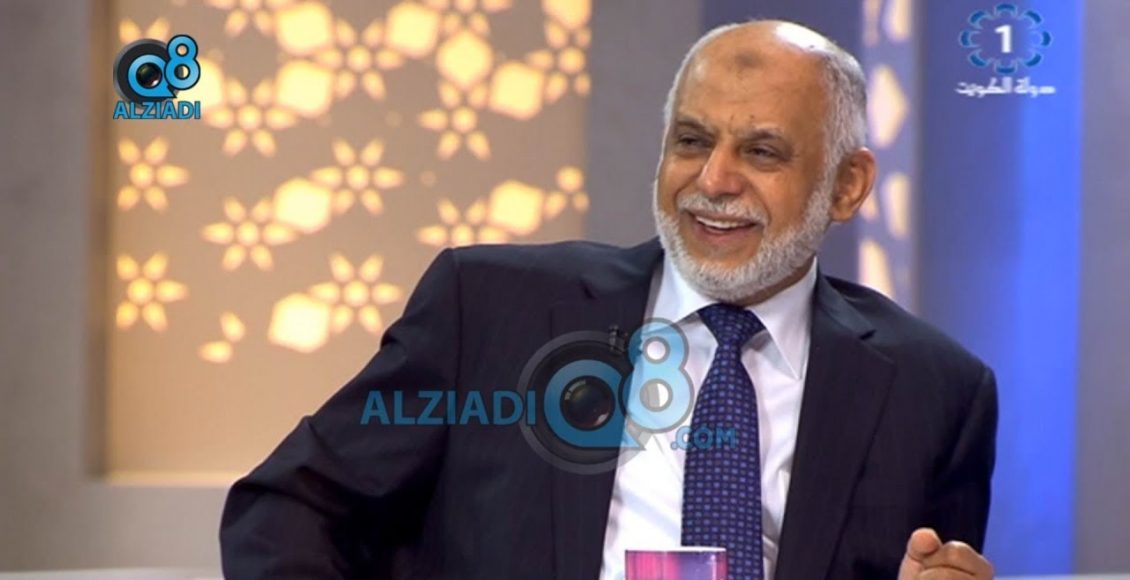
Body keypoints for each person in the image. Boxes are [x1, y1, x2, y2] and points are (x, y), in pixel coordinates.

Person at [220, 20, 997, 580]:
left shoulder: (935, 391)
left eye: (761, 151)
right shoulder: (489, 308)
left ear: (848, 185)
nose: (714, 180)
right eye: (692, 141)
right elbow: (288, 506)